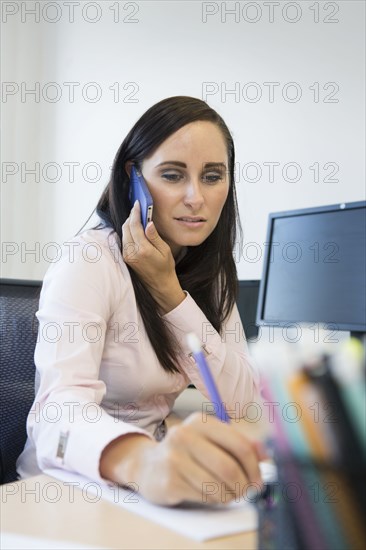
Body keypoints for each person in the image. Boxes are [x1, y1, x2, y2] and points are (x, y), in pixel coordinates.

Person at [17, 96, 265, 506]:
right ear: (134, 178)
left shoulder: (212, 274)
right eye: (172, 175)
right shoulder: (90, 260)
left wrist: (170, 293)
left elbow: (240, 399)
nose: (195, 197)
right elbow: (55, 414)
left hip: (152, 490)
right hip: (66, 489)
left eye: (212, 176)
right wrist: (145, 462)